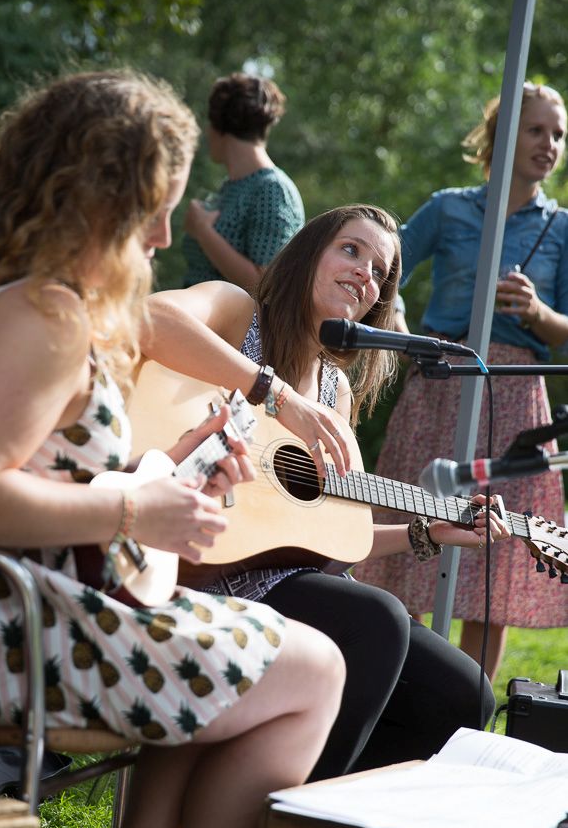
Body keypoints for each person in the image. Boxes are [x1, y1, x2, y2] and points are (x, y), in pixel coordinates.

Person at [0, 70, 345, 828]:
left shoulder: (32, 297)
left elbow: (101, 390)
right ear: (97, 197)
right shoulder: (48, 319)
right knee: (314, 671)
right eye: (156, 209)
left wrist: (184, 456)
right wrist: (138, 506)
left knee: (271, 654)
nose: (167, 236)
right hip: (11, 633)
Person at [145, 204, 508, 781]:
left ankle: (320, 808)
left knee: (465, 694)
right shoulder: (240, 314)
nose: (365, 273)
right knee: (378, 619)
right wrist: (277, 395)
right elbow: (149, 317)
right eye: (351, 250)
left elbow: (323, 534)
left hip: (287, 578)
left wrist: (427, 531)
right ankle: (283, 813)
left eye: (380, 272)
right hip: (201, 565)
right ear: (310, 252)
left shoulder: (336, 389)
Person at [353, 82, 568, 681]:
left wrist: (537, 312)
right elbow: (383, 268)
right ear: (502, 135)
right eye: (536, 130)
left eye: (558, 135)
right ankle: (398, 697)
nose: (550, 144)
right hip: (440, 381)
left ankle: (465, 706)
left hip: (514, 395)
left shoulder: (562, 226)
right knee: (411, 539)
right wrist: (400, 331)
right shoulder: (449, 208)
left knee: (493, 563)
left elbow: (565, 331)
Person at [182, 71, 304, 292]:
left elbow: (265, 286)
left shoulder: (273, 190)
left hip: (230, 316)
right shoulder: (232, 185)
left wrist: (203, 230)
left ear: (220, 128)